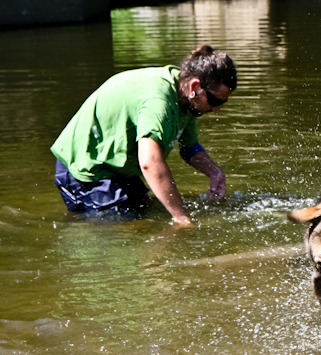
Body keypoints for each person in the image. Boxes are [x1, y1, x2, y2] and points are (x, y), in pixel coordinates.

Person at [51, 45, 236, 225]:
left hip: (118, 169)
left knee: (145, 214)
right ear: (195, 85)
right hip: (87, 168)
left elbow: (189, 148)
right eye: (214, 100)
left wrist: (215, 173)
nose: (217, 109)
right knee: (129, 230)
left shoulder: (186, 98)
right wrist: (180, 217)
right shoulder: (159, 102)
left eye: (223, 103)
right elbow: (150, 162)